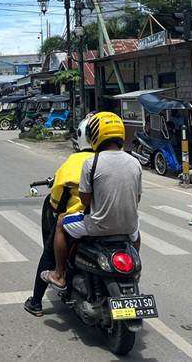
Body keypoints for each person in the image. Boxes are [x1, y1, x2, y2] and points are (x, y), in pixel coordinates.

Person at [40, 112, 142, 290]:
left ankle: (59, 274)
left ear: (94, 134)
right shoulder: (135, 162)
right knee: (136, 231)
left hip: (97, 225)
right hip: (128, 227)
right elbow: (137, 198)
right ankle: (133, 271)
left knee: (61, 223)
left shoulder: (92, 163)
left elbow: (85, 200)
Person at [24, 117, 95, 317]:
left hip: (80, 221)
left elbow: (56, 201)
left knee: (49, 251)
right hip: (113, 220)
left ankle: (37, 301)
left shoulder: (73, 162)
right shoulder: (107, 159)